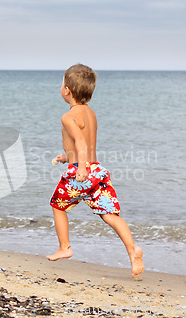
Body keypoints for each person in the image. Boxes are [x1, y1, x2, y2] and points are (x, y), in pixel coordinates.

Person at [47, 63, 144, 278]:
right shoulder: (91, 114)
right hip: (97, 171)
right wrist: (67, 157)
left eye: (62, 83)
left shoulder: (68, 116)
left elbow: (80, 141)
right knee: (109, 214)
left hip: (80, 171)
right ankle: (132, 249)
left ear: (66, 90)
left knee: (57, 205)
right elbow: (85, 145)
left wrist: (79, 166)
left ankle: (65, 247)